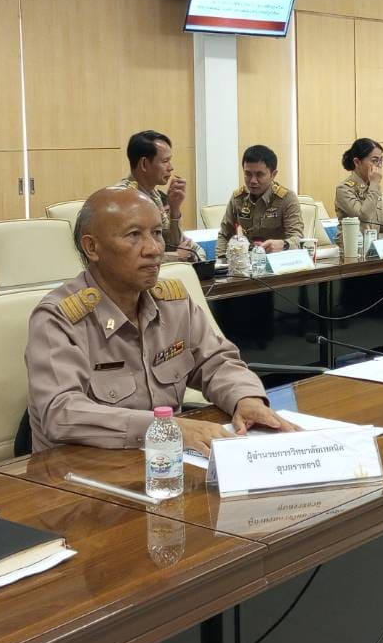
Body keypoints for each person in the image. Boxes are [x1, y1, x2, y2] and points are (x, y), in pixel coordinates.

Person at [26, 187, 289, 456]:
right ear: (92, 247)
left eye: (157, 233)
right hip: (82, 468)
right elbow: (61, 412)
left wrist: (246, 398)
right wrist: (166, 428)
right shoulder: (58, 318)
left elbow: (217, 361)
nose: (154, 249)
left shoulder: (173, 303)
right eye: (134, 235)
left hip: (164, 461)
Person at [117, 130, 197, 263]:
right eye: (165, 161)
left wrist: (174, 209)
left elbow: (171, 244)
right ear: (144, 164)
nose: (171, 168)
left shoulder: (155, 195)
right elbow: (130, 256)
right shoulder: (124, 199)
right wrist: (176, 256)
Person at [215, 144, 303, 253]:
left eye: (259, 175)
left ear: (273, 174)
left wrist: (284, 245)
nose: (253, 181)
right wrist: (221, 259)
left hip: (279, 259)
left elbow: (297, 239)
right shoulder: (238, 198)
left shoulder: (286, 199)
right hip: (249, 259)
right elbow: (224, 235)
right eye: (248, 174)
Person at [335, 137, 383, 234]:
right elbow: (363, 217)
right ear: (357, 162)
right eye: (375, 161)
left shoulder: (373, 186)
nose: (379, 165)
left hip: (372, 240)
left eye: (381, 161)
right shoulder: (344, 189)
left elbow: (375, 224)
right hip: (352, 242)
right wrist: (375, 184)